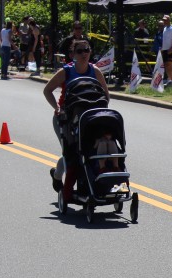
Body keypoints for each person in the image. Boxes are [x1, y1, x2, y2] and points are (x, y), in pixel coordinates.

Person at [43, 38, 110, 199]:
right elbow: (47, 90)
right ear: (72, 54)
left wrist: (101, 110)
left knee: (89, 150)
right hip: (66, 118)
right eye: (79, 51)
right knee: (71, 152)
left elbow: (106, 94)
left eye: (86, 50)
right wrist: (57, 108)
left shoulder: (95, 71)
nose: (84, 54)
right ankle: (57, 176)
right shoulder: (66, 71)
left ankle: (92, 185)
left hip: (89, 119)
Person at [159, 15, 172, 87]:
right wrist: (162, 48)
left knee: (169, 65)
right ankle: (169, 79)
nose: (164, 21)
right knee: (166, 65)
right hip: (165, 50)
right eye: (163, 20)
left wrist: (171, 48)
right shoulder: (164, 29)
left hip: (171, 50)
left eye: (165, 20)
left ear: (169, 20)